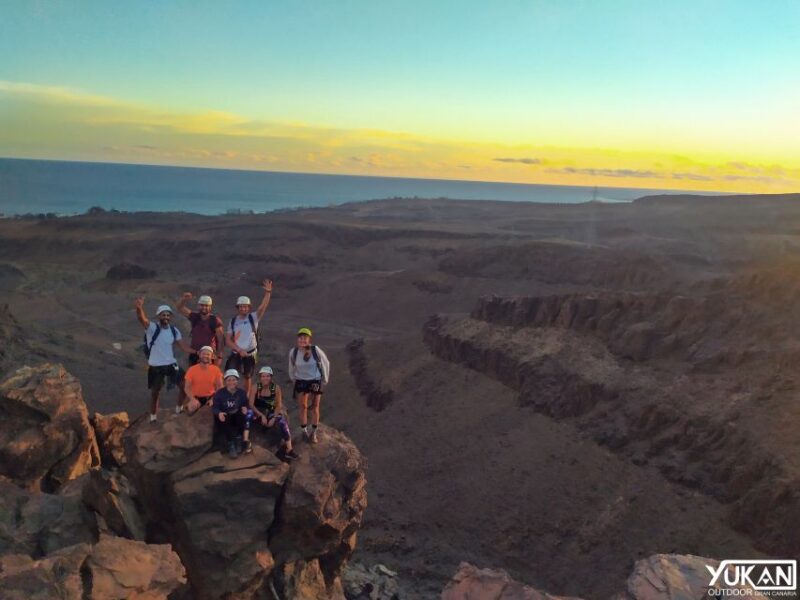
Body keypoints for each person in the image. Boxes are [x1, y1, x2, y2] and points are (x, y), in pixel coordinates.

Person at [134, 298, 195, 422]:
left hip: (171, 364)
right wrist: (139, 308)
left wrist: (198, 352)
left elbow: (183, 346)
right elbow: (142, 319)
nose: (166, 317)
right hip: (156, 366)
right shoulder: (152, 328)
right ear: (158, 316)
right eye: (163, 315)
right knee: (155, 393)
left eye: (168, 315)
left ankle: (179, 408)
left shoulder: (174, 330)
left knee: (184, 386)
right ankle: (153, 417)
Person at [225, 279, 273, 397]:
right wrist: (239, 350)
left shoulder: (253, 318)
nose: (243, 309)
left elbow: (262, 307)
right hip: (236, 352)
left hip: (250, 354)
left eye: (245, 307)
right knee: (231, 373)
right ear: (238, 308)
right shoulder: (233, 321)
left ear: (249, 307)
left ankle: (246, 397)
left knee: (247, 375)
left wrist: (268, 293)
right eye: (241, 307)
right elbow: (228, 340)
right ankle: (230, 395)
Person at [244, 366, 298, 460]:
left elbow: (278, 405)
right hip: (258, 412)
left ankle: (289, 450)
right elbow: (251, 404)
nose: (265, 378)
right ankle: (245, 442)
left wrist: (273, 418)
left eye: (267, 376)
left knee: (282, 422)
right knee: (248, 415)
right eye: (263, 376)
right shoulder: (255, 387)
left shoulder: (276, 388)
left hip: (270, 412)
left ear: (271, 377)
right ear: (260, 377)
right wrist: (261, 416)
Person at [288, 327, 330, 444]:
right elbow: (291, 367)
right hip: (301, 380)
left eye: (305, 338)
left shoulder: (316, 350)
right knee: (303, 406)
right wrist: (293, 379)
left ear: (309, 339)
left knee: (315, 406)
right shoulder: (294, 352)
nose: (302, 340)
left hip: (315, 380)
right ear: (298, 340)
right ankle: (304, 431)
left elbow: (326, 363)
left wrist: (324, 380)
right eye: (300, 338)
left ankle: (314, 432)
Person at [176, 293, 224, 367]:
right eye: (202, 305)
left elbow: (221, 340)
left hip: (209, 355)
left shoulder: (215, 320)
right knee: (194, 376)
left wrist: (219, 356)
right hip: (195, 353)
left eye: (206, 305)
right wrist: (184, 299)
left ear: (210, 307)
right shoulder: (194, 317)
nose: (204, 307)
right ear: (198, 306)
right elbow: (179, 308)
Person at [212, 369, 249, 458]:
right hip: (226, 416)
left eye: (234, 380)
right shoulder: (220, 393)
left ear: (237, 381)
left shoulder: (241, 393)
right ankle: (230, 443)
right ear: (225, 381)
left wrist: (245, 408)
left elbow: (245, 404)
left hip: (237, 416)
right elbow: (215, 407)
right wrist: (219, 413)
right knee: (225, 417)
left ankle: (239, 438)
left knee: (242, 415)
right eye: (229, 380)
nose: (231, 382)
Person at [184, 346, 223, 413]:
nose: (205, 356)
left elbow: (220, 387)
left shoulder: (216, 369)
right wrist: (192, 399)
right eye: (203, 353)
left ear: (212, 356)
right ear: (199, 355)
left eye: (208, 354)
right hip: (196, 397)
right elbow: (186, 388)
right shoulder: (192, 369)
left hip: (210, 397)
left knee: (217, 410)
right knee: (190, 410)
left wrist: (214, 399)